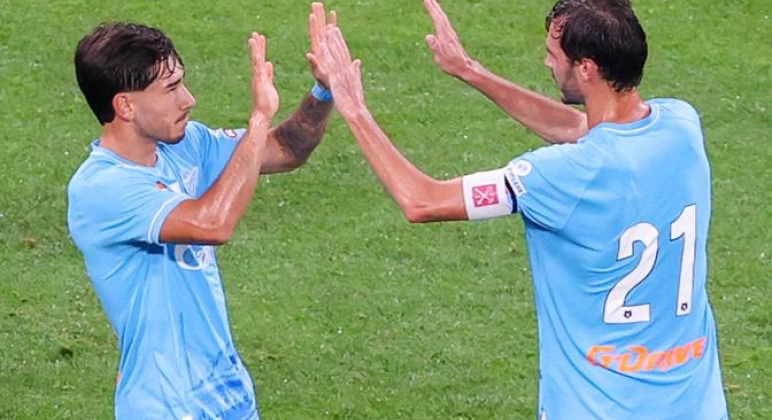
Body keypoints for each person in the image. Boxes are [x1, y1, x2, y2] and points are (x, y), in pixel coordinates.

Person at [315, 0, 729, 418]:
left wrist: (354, 107)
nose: (548, 63)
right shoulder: (681, 125)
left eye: (554, 55)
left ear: (586, 68)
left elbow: (422, 200)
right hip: (696, 407)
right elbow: (577, 128)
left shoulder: (560, 176)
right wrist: (468, 70)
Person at [67, 4, 336, 419]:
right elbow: (212, 224)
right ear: (126, 106)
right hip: (164, 408)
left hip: (230, 400)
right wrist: (259, 118)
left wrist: (324, 90)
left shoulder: (186, 144)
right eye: (171, 88)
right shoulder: (102, 188)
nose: (189, 99)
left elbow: (286, 149)